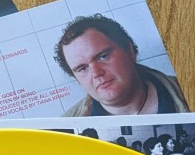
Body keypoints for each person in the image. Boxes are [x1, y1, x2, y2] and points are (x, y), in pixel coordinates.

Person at [54, 15, 188, 117]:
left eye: (103, 56)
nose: (96, 73)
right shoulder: (62, 132)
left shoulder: (188, 90)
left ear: (130, 50)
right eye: (83, 68)